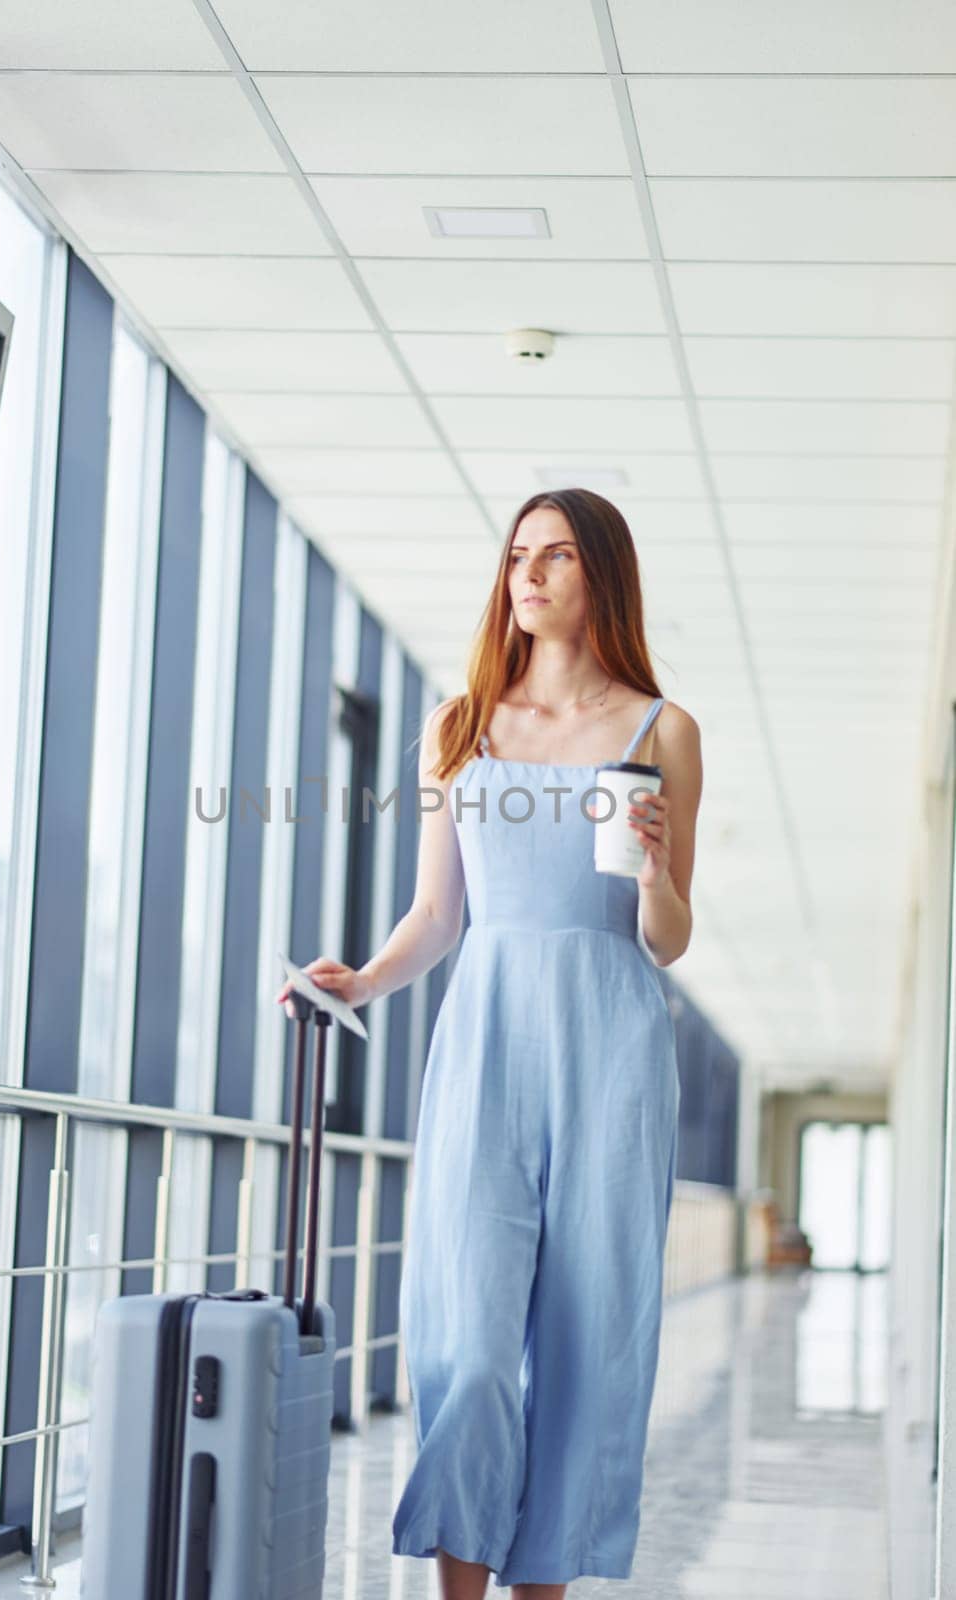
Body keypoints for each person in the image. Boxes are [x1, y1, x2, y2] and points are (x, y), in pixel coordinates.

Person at [275, 487, 703, 1597]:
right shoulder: (460, 725)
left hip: (613, 1053)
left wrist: (655, 867)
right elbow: (439, 916)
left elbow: (666, 939)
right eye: (519, 555)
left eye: (557, 556)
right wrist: (361, 976)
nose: (531, 574)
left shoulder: (663, 729)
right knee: (466, 1345)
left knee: (582, 1348)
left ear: (602, 574)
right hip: (488, 1049)